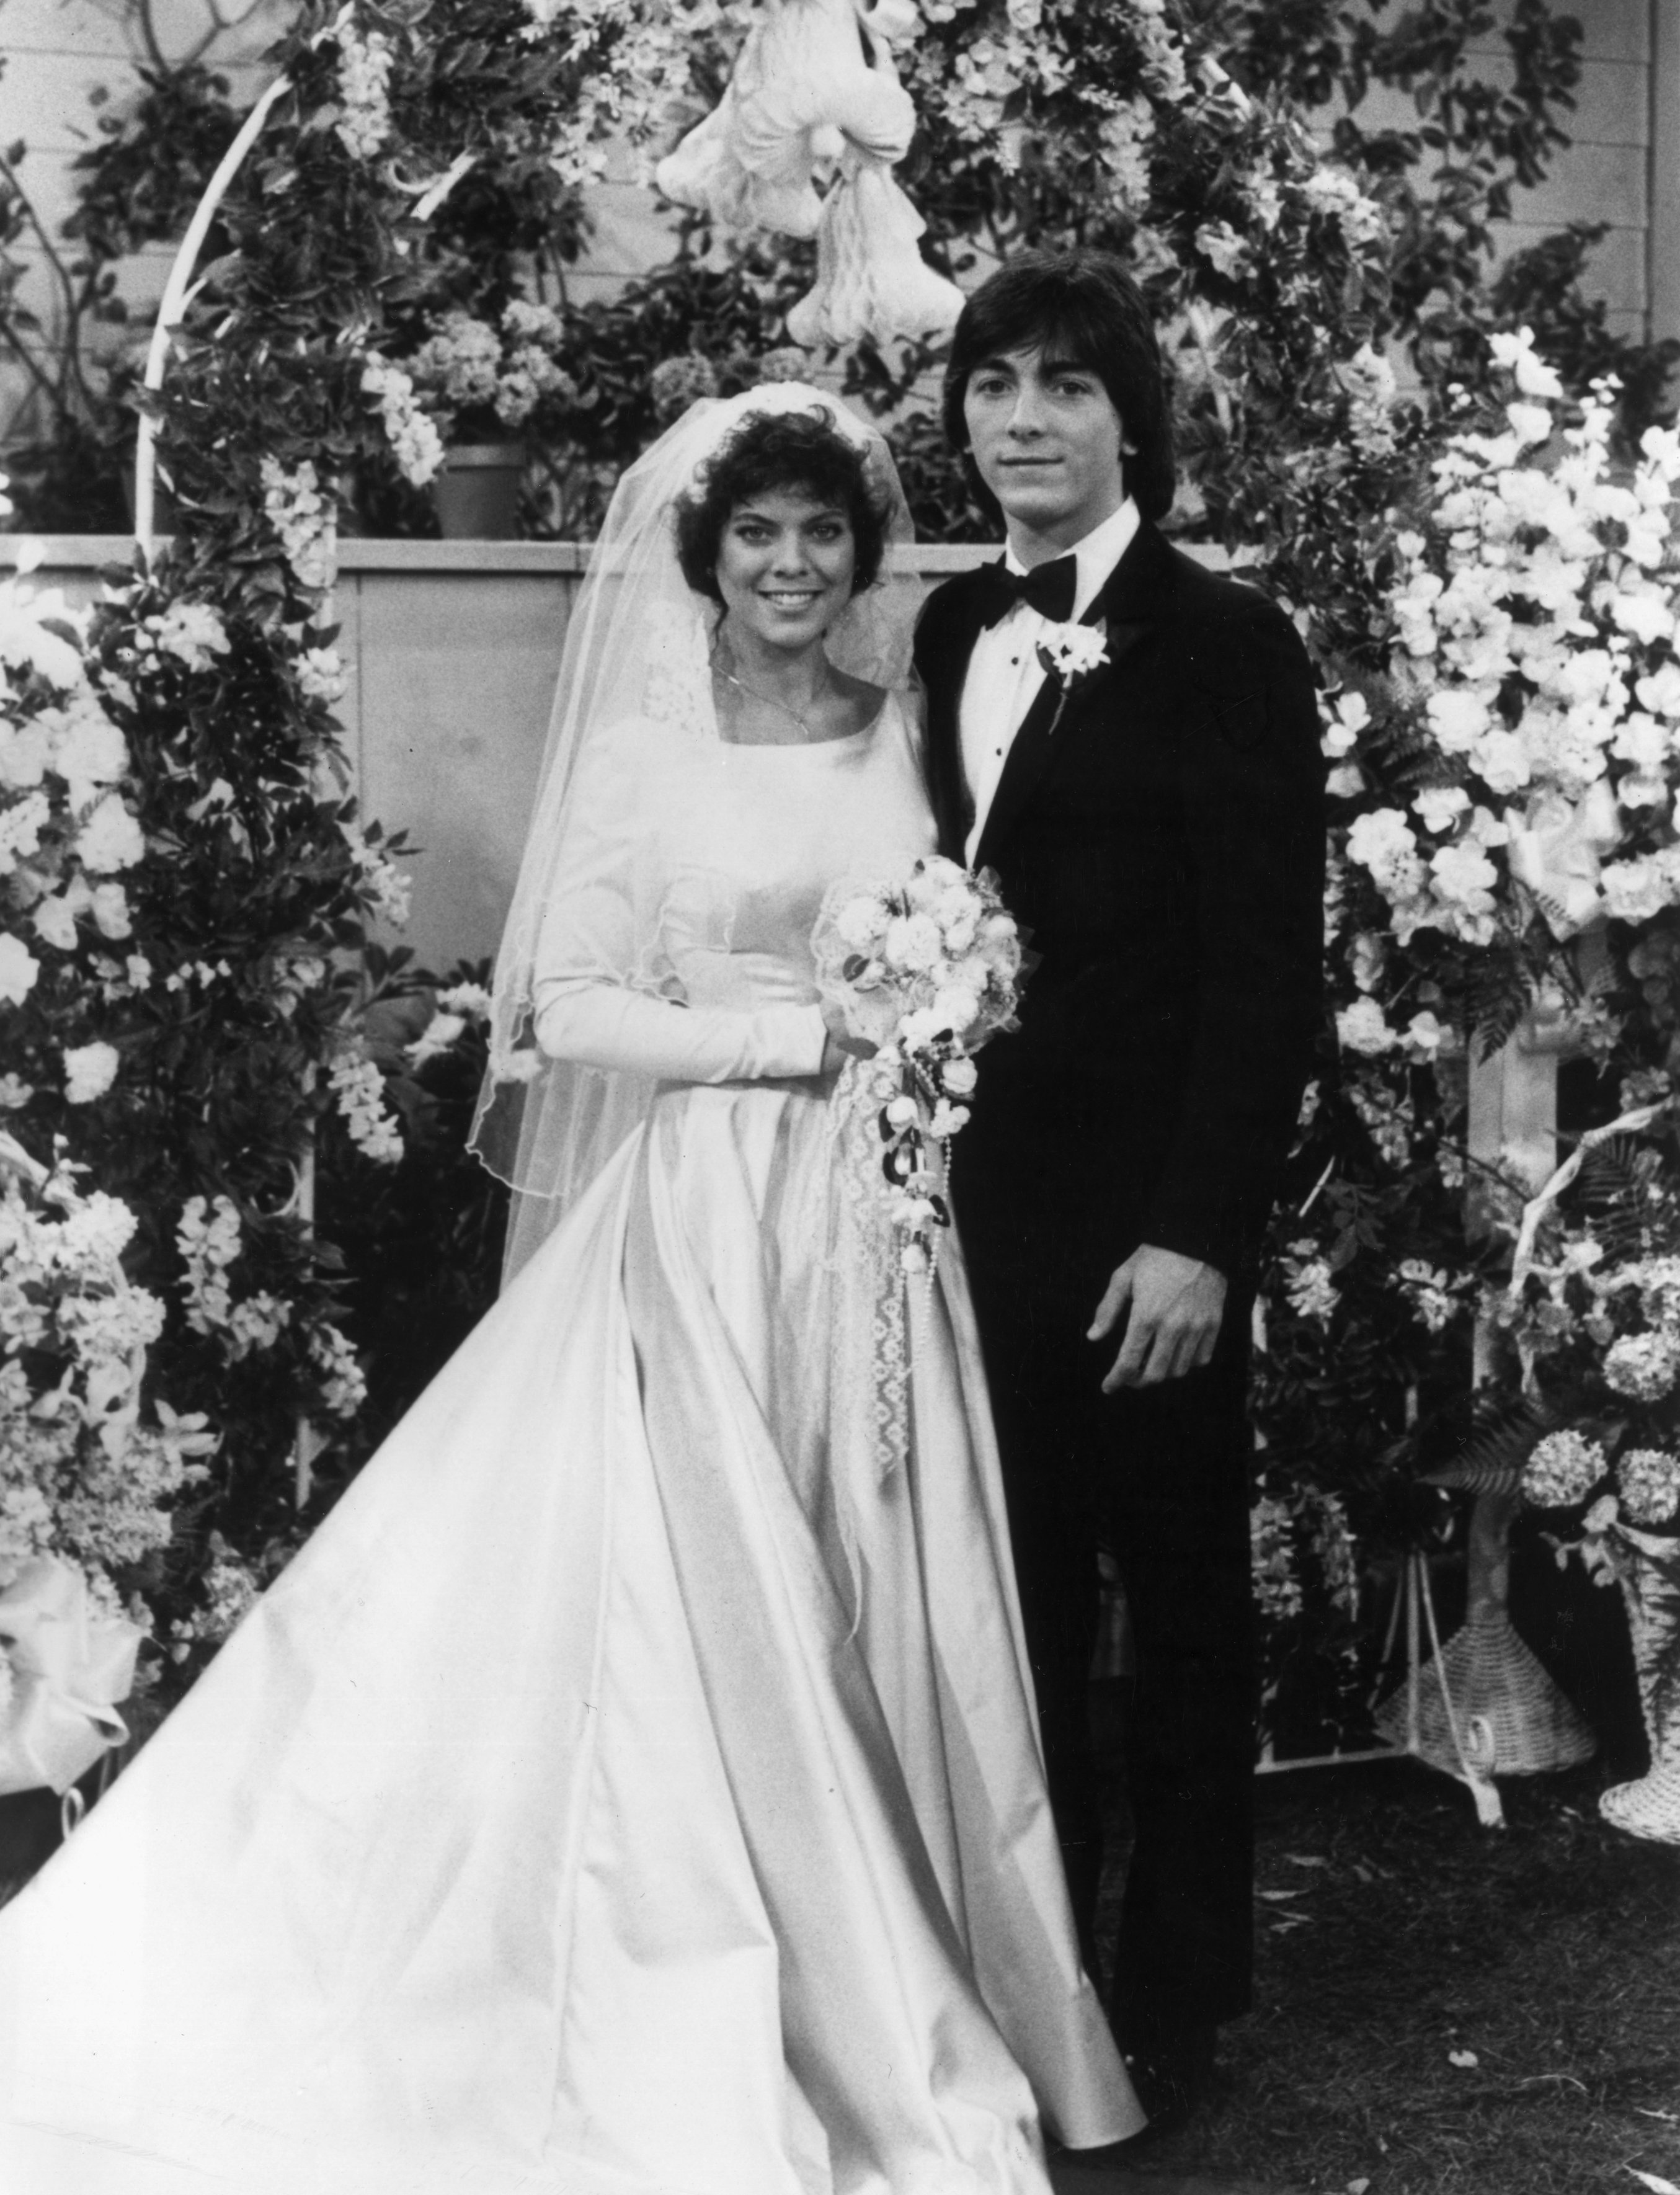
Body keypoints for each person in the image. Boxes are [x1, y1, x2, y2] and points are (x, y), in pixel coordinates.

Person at [0, 383, 1142, 2194]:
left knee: (883, 1573)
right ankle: (749, 1974)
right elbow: (567, 1012)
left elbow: (948, 931)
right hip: (699, 1217)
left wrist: (940, 1012)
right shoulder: (639, 753)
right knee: (716, 1605)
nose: (789, 563)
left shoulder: (903, 723)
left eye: (820, 534)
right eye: (756, 534)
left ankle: (923, 1948)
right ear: (708, 554)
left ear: (860, 556)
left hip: (878, 1226)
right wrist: (795, 1036)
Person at [915, 252, 1326, 2140]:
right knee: (1008, 1608)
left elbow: (1265, 973)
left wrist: (1200, 1235)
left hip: (1149, 1225)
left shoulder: (1230, 642)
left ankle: (1180, 1995)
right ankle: (1040, 1986)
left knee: (1176, 1619)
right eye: (995, 385)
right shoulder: (944, 634)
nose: (1024, 421)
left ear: (1129, 417)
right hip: (974, 1217)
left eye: (1065, 388)